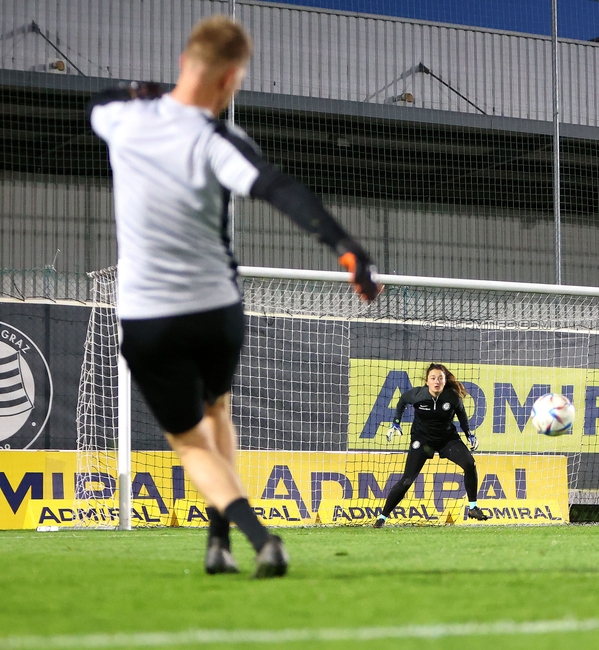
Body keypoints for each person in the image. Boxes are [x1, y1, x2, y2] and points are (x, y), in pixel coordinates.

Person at [88, 15, 381, 578]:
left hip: (149, 318)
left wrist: (140, 90)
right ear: (231, 80)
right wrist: (347, 249)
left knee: (191, 443)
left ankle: (258, 538)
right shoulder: (219, 139)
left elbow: (95, 101)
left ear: (183, 63)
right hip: (217, 312)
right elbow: (278, 188)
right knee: (218, 409)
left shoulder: (124, 118)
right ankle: (217, 545)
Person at [374, 363, 490, 527]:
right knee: (407, 480)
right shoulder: (417, 395)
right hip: (423, 441)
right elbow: (401, 401)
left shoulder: (452, 397)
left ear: (444, 381)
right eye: (433, 378)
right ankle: (382, 517)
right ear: (427, 381)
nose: (437, 381)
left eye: (440, 378)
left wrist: (469, 435)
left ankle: (473, 508)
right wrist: (396, 423)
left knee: (469, 463)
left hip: (447, 440)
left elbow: (462, 416)